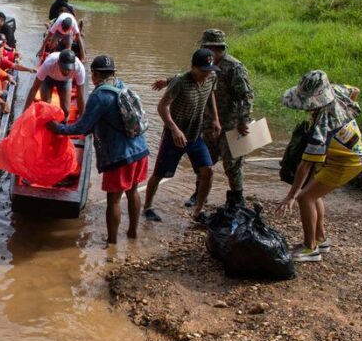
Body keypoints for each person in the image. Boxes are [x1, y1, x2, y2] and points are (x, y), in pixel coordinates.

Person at [47, 56, 150, 244]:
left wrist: (58, 129)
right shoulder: (121, 85)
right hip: (141, 149)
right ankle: (133, 234)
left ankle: (111, 243)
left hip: (120, 157)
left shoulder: (99, 96)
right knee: (133, 191)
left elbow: (82, 128)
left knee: (114, 200)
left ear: (94, 75)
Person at [151, 29, 255, 207]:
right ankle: (200, 195)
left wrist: (243, 121)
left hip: (230, 124)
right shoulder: (207, 63)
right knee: (204, 162)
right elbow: (190, 75)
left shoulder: (234, 67)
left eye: (205, 47)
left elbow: (247, 96)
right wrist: (168, 81)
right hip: (206, 123)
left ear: (214, 48)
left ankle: (236, 198)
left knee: (232, 163)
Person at [278, 71, 362, 262]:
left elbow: (305, 166)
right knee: (313, 192)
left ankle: (310, 248)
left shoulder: (322, 126)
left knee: (304, 197)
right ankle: (320, 238)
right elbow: (355, 91)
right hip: (348, 152)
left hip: (347, 162)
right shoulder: (337, 91)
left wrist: (291, 196)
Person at [142, 49, 221, 222]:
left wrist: (215, 119)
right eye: (202, 71)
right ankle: (147, 207)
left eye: (209, 71)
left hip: (195, 135)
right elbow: (162, 106)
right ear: (192, 67)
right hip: (174, 136)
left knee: (208, 171)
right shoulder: (180, 82)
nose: (206, 75)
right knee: (159, 174)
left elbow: (210, 95)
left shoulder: (211, 77)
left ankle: (199, 210)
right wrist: (174, 129)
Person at [24, 49, 86, 119]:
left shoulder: (79, 68)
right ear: (58, 63)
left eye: (69, 69)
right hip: (48, 78)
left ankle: (63, 124)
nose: (66, 72)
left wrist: (83, 120)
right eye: (64, 68)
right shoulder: (48, 64)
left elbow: (80, 96)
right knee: (46, 106)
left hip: (65, 81)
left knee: (66, 111)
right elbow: (34, 89)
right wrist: (24, 113)